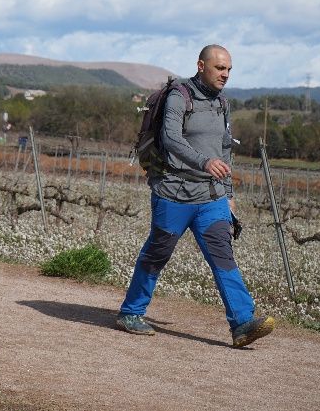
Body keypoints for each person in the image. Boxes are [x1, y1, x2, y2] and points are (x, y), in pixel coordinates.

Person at [116, 44, 275, 348]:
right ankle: (130, 312)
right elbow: (170, 138)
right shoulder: (180, 96)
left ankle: (242, 323)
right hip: (172, 192)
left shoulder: (223, 103)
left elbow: (225, 148)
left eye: (228, 69)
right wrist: (203, 162)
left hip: (210, 197)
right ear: (201, 66)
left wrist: (228, 192)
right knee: (157, 254)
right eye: (219, 68)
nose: (225, 74)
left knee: (222, 256)